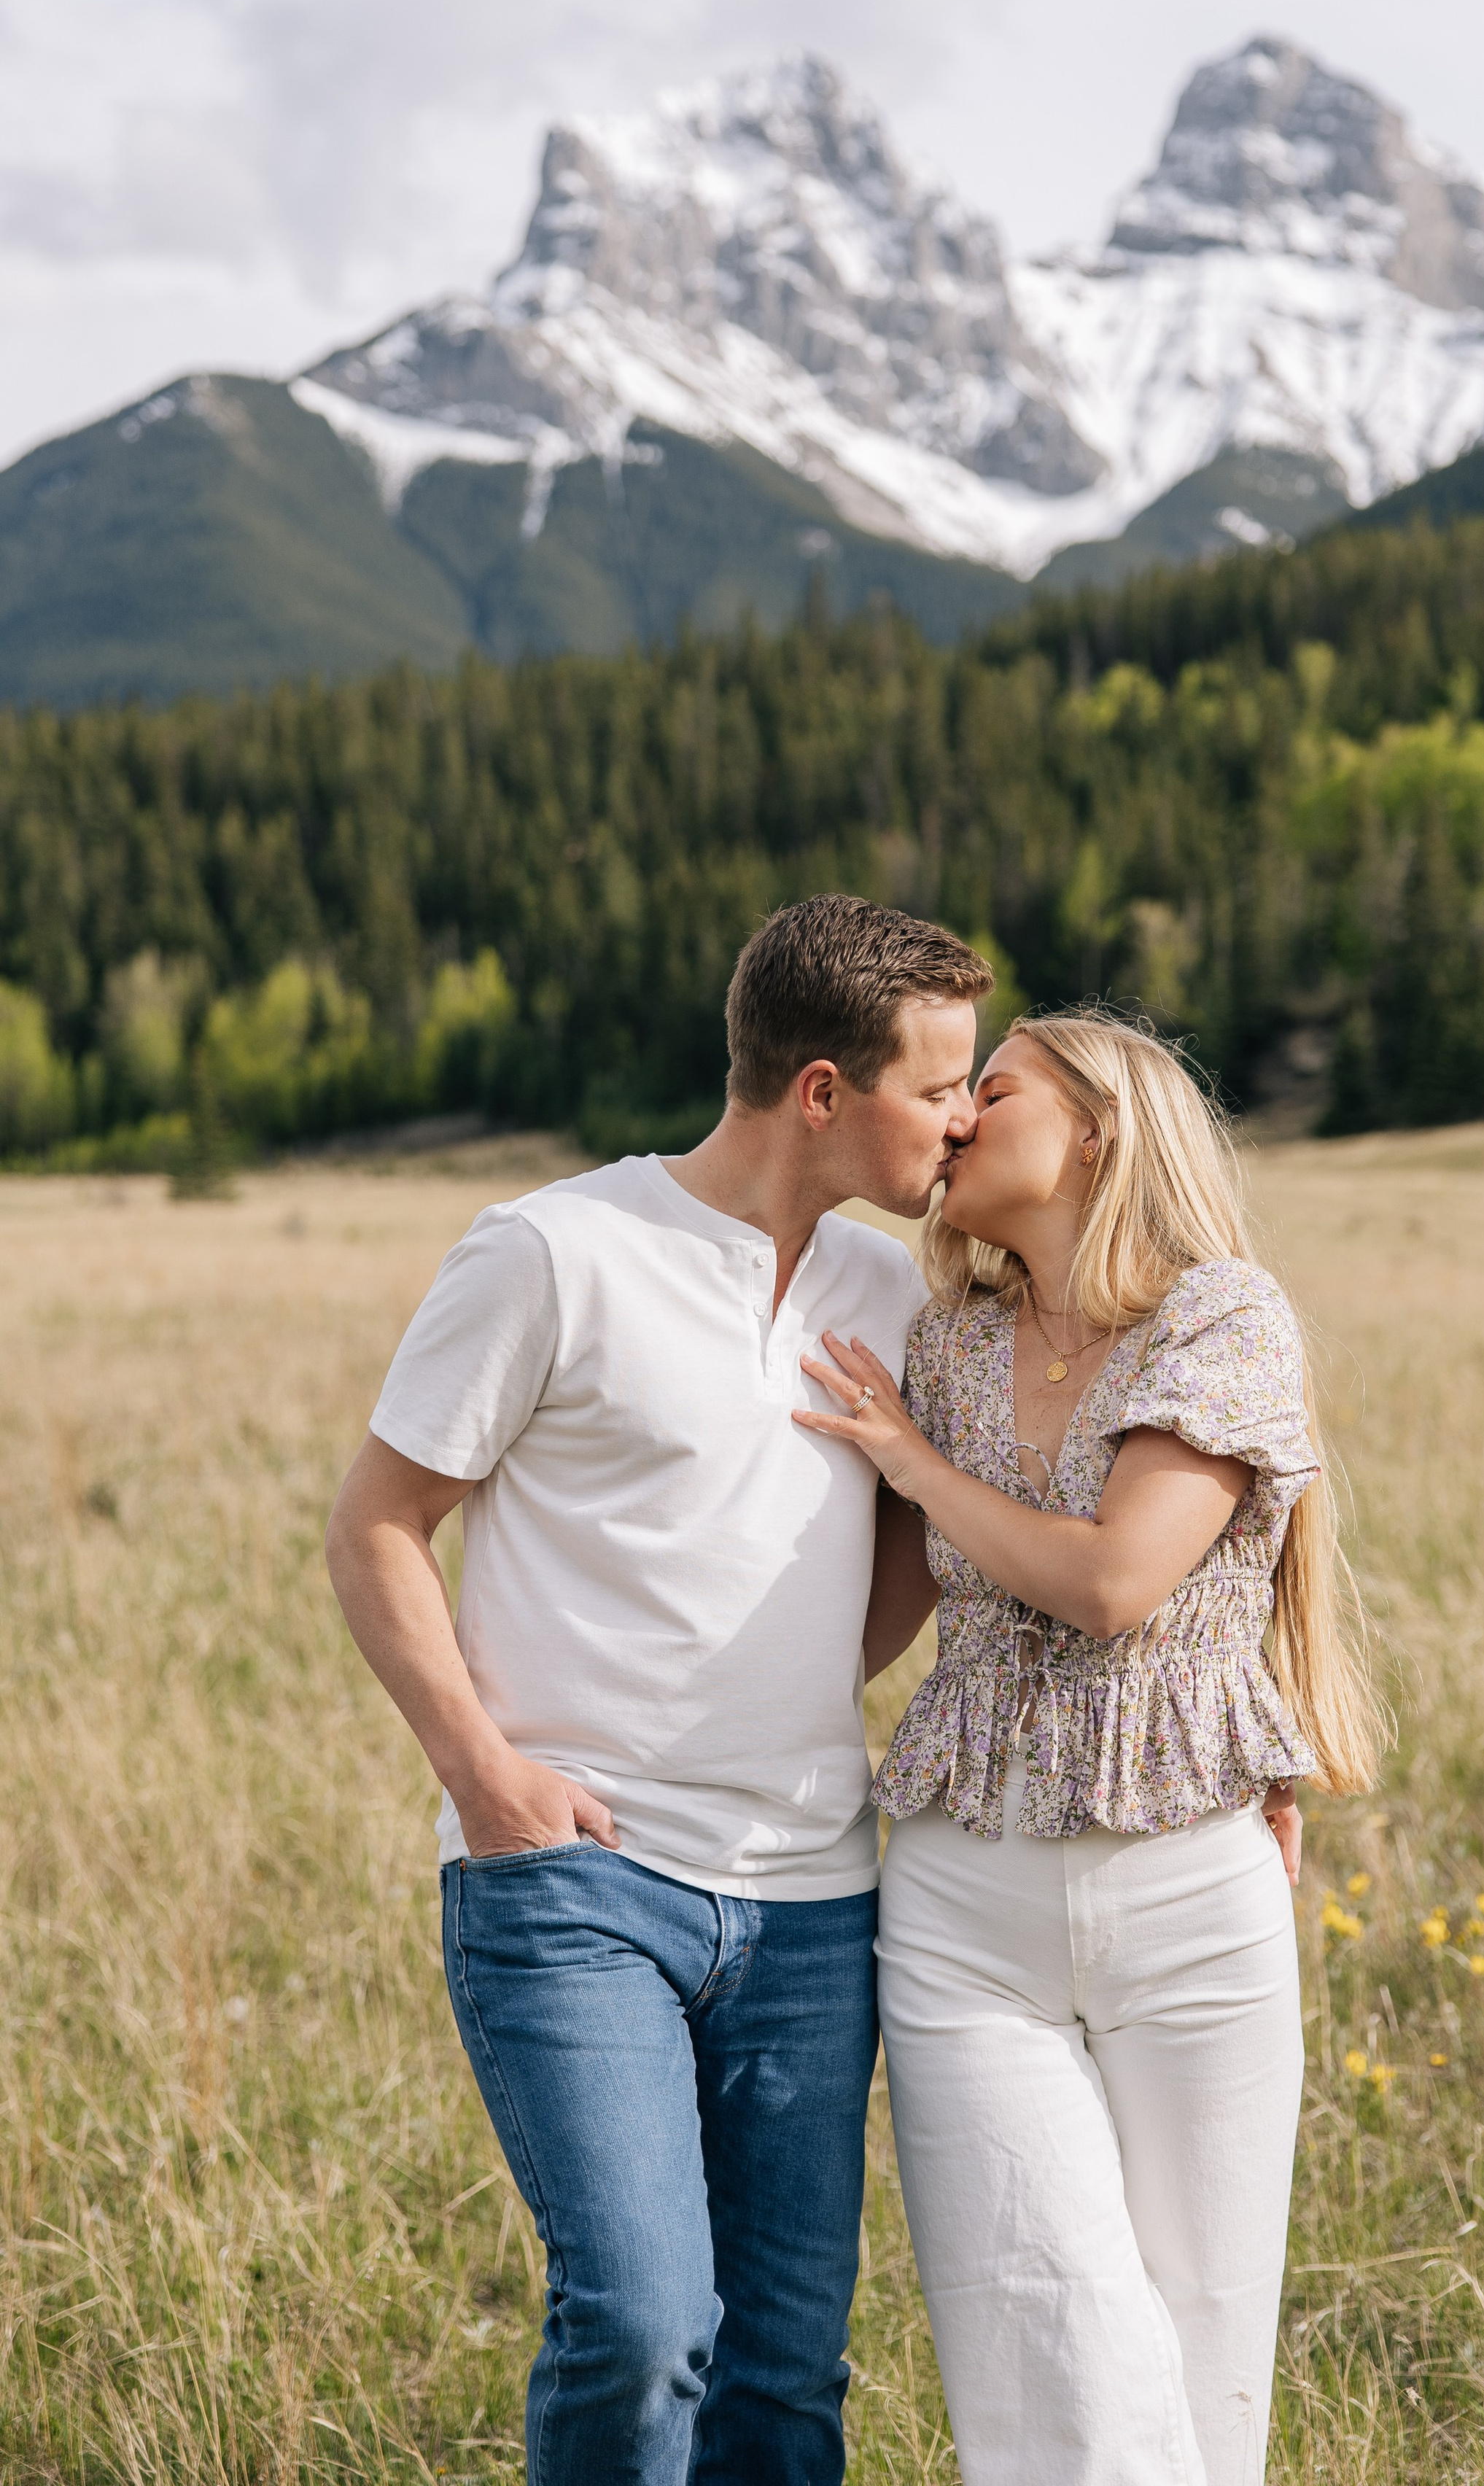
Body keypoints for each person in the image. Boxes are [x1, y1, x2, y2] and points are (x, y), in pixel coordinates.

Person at [324, 896, 993, 2486]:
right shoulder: (553, 1250)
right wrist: (487, 1779)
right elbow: (375, 1528)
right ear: (822, 1093)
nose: (962, 1118)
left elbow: (912, 1548)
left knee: (782, 2370)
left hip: (814, 1901)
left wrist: (776, 1686)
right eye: (938, 1085)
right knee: (638, 2324)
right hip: (576, 1884)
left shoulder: (884, 1293)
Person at [794, 1008, 1383, 2486]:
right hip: (960, 1910)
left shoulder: (1220, 1317)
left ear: (1097, 1131)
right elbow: (869, 1612)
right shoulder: (943, 1345)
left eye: (988, 1090)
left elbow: (1118, 1584)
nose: (951, 1119)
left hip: (1189, 1901)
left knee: (1200, 2353)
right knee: (1038, 2327)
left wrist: (909, 1464)